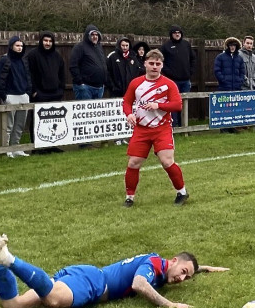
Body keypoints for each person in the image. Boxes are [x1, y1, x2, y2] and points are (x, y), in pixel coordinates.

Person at [0, 232, 228, 308]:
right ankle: (7, 256)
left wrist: (205, 268)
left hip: (83, 274)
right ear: (172, 261)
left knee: (12, 307)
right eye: (183, 272)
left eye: (187, 278)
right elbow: (138, 284)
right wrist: (170, 304)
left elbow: (185, 269)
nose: (182, 279)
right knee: (54, 300)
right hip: (93, 282)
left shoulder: (163, 268)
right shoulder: (156, 264)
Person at [122, 49, 188, 207]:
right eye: (151, 63)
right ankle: (129, 197)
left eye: (157, 64)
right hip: (141, 129)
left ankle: (182, 192)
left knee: (167, 161)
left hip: (161, 128)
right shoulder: (136, 83)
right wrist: (128, 114)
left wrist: (157, 105)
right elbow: (126, 101)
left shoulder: (168, 84)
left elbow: (177, 105)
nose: (154, 67)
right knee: (133, 163)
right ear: (145, 63)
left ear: (162, 65)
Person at [0, 36, 32, 157]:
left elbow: (28, 77)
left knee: (20, 125)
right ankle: (6, 150)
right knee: (8, 126)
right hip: (10, 96)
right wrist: (4, 96)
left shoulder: (23, 61)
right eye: (17, 45)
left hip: (23, 96)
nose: (20, 48)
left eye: (21, 46)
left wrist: (28, 92)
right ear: (11, 46)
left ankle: (16, 148)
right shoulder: (5, 60)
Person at [159, 25, 196, 127]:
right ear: (171, 34)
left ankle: (184, 126)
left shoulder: (186, 45)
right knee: (173, 103)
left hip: (185, 80)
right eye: (175, 32)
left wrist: (190, 72)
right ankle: (174, 126)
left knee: (184, 104)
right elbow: (161, 62)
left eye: (179, 32)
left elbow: (193, 59)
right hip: (172, 81)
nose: (177, 34)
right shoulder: (166, 46)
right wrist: (169, 73)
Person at [69, 25, 107, 100]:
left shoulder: (99, 47)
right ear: (87, 35)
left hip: (99, 88)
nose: (95, 37)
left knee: (97, 112)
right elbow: (73, 66)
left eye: (96, 34)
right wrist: (80, 82)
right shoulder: (79, 47)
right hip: (86, 88)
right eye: (92, 34)